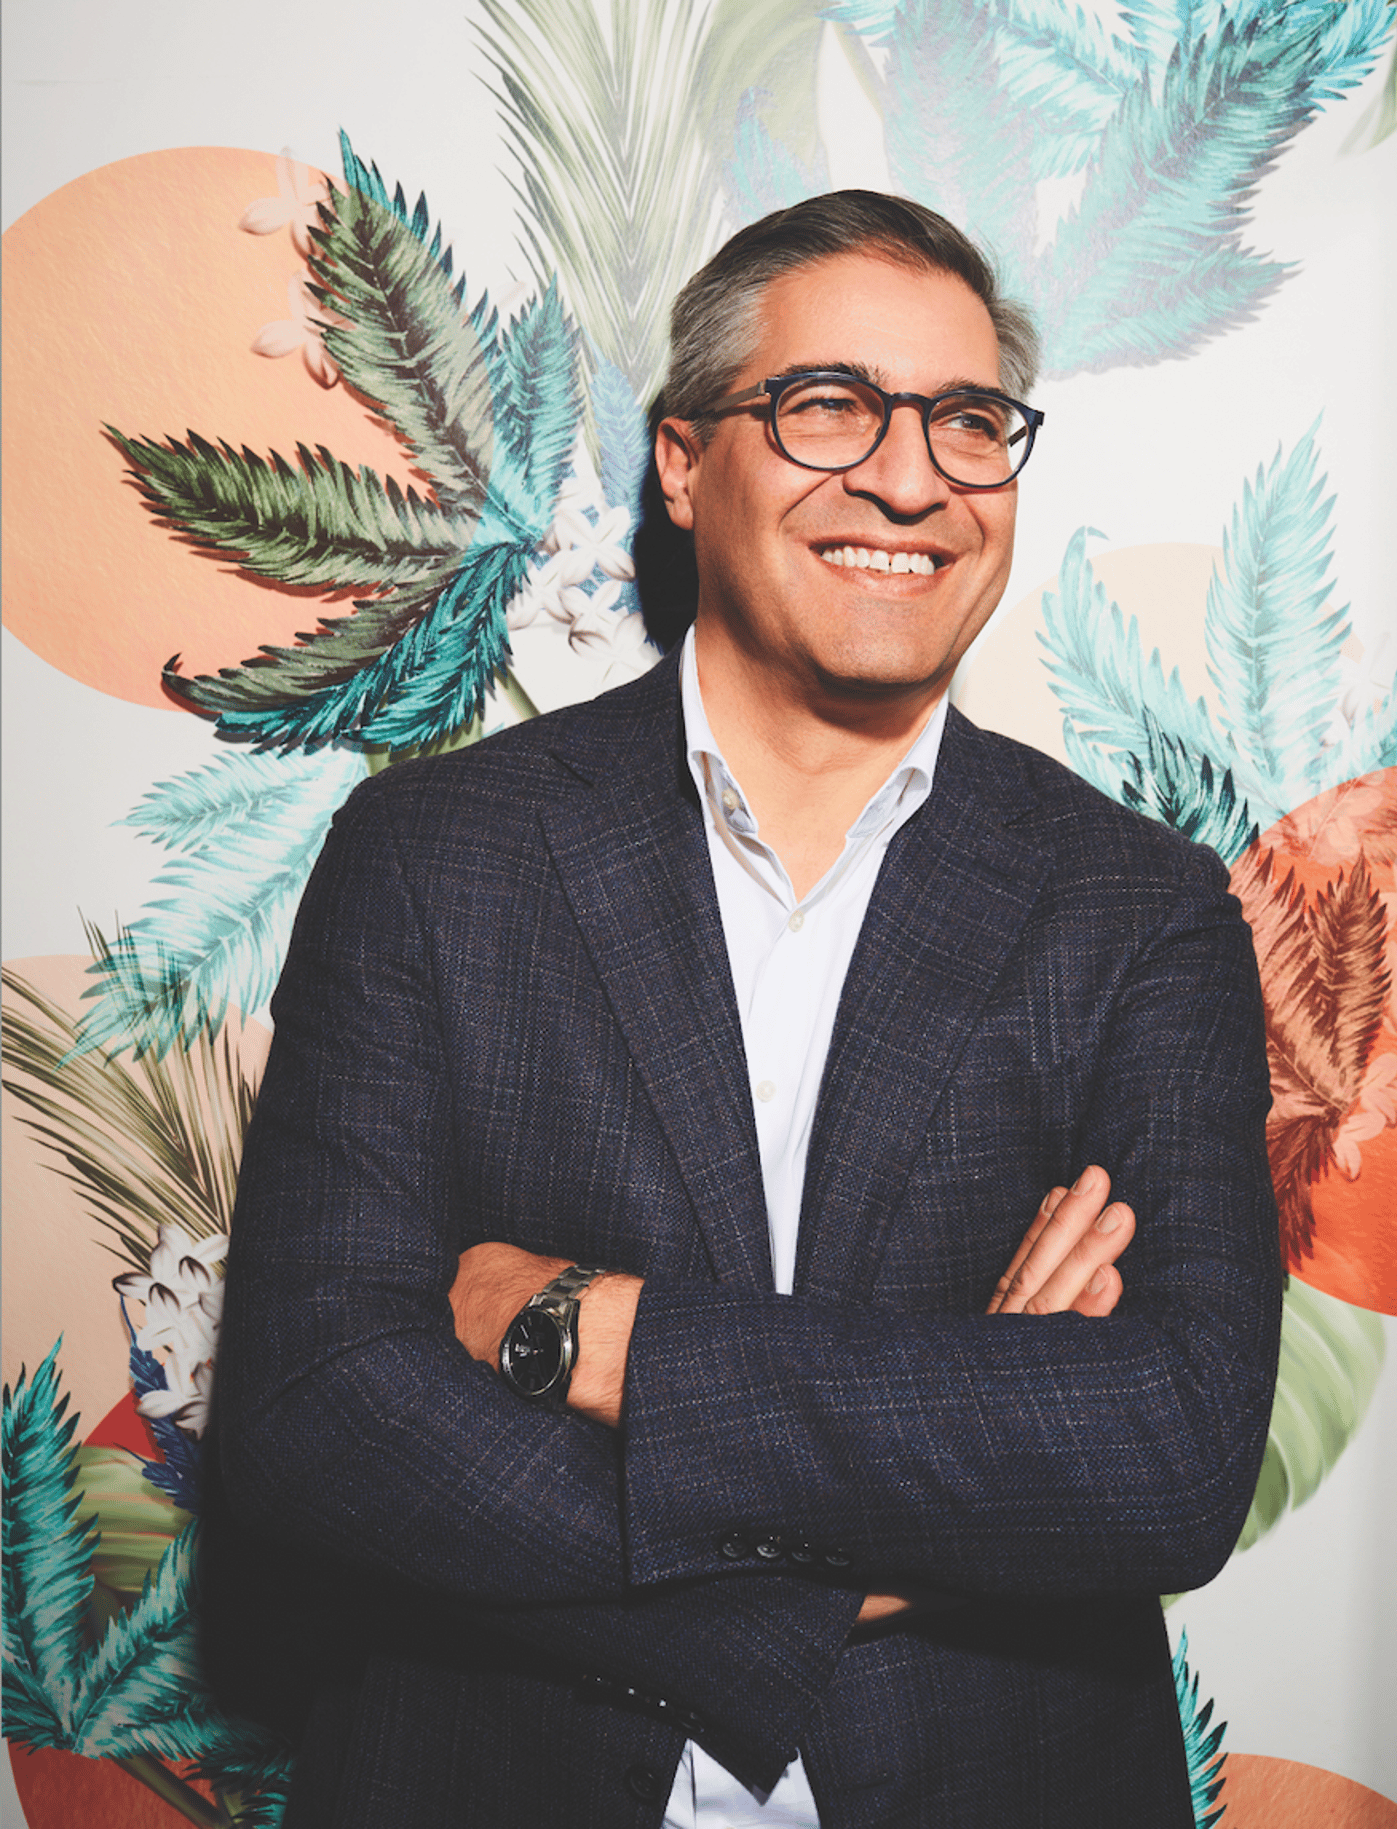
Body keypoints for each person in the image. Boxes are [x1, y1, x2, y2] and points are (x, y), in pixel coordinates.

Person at [215, 191, 1282, 1827]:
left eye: (968, 419)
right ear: (684, 461)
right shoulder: (437, 855)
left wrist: (597, 1334)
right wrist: (943, 1452)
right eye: (828, 406)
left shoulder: (1138, 905)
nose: (911, 478)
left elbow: (1167, 1452)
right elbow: (320, 1420)